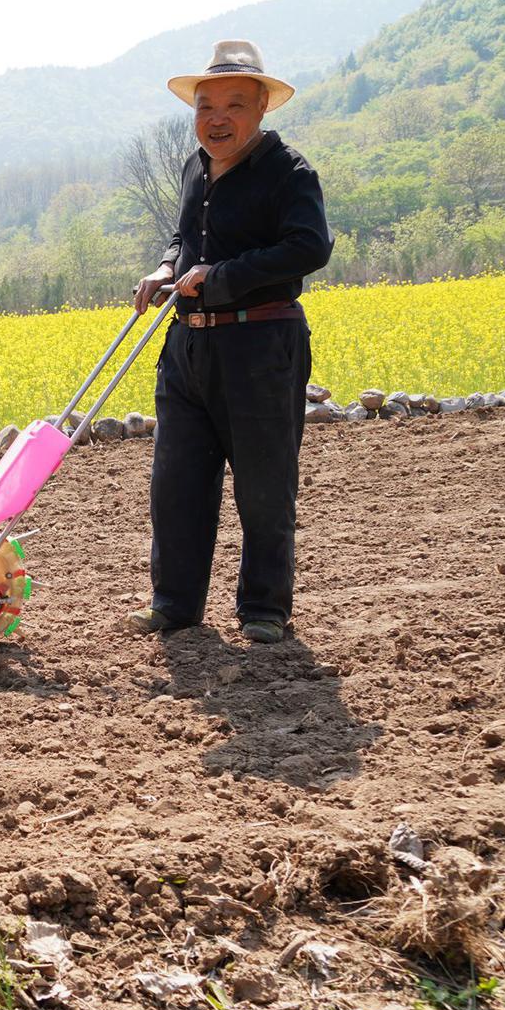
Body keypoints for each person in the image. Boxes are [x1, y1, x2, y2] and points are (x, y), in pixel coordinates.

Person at [127, 40, 333, 644]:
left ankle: (264, 609)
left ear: (262, 107)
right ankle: (175, 604)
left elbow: (308, 247)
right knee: (177, 481)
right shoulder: (195, 166)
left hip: (261, 343)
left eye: (234, 105)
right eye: (205, 105)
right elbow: (185, 236)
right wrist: (168, 267)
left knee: (264, 484)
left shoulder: (290, 172)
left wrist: (220, 278)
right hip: (187, 347)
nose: (216, 117)